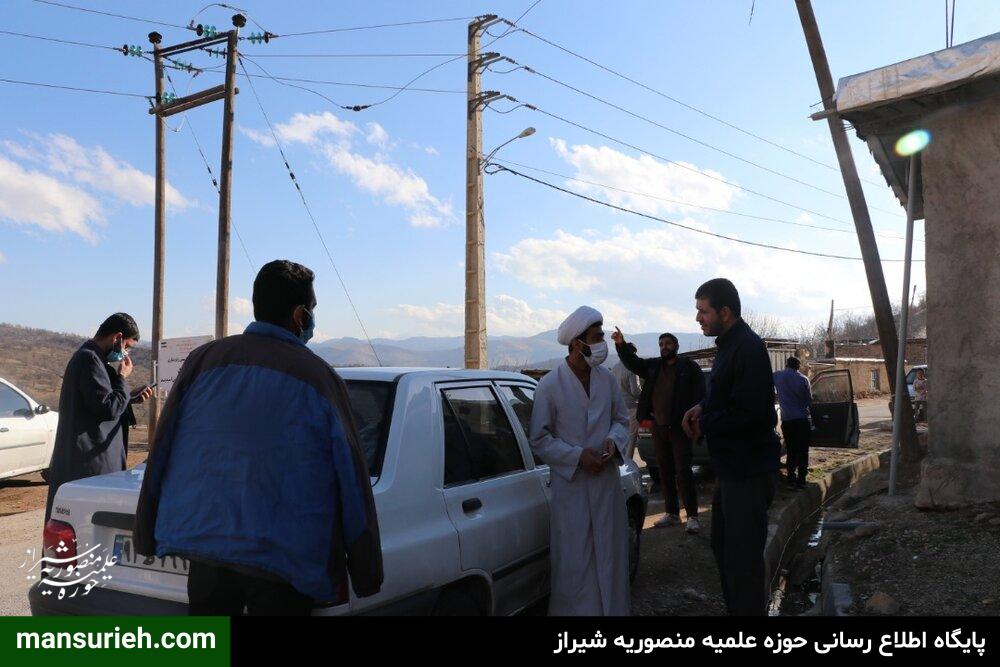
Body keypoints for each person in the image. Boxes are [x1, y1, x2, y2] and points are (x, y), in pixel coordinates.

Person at [134, 260, 383, 616]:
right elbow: (352, 479)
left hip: (206, 550)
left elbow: (163, 447)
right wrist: (366, 570)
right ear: (299, 315)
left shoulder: (203, 361)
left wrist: (144, 532)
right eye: (311, 309)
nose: (312, 318)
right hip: (283, 561)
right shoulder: (318, 377)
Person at [681, 278, 780, 616]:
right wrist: (701, 407)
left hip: (748, 472)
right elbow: (726, 395)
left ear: (724, 312)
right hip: (731, 469)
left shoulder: (748, 348)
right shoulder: (728, 345)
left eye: (703, 311)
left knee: (742, 564)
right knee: (724, 550)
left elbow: (753, 414)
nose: (698, 318)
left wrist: (706, 424)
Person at [529, 305, 631, 616]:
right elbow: (540, 439)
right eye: (597, 337)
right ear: (577, 343)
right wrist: (577, 457)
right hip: (572, 490)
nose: (602, 343)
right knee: (575, 565)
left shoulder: (606, 379)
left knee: (611, 559)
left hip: (606, 487)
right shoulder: (549, 385)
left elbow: (621, 420)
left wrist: (613, 442)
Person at [45, 313, 153, 522]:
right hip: (88, 463)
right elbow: (107, 408)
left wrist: (130, 397)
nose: (126, 353)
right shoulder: (89, 359)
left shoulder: (95, 359)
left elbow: (97, 402)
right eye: (127, 347)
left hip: (92, 460)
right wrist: (122, 378)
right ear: (117, 338)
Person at [613, 329, 706, 533]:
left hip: (680, 428)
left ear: (676, 346)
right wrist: (621, 344)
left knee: (683, 472)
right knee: (664, 472)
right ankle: (672, 513)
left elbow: (701, 393)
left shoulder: (689, 367)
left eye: (668, 344)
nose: (664, 347)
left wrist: (696, 417)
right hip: (658, 427)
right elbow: (633, 363)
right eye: (661, 344)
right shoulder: (654, 366)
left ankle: (692, 517)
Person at [773, 357, 812, 489]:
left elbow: (766, 383)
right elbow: (809, 400)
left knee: (791, 450)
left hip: (788, 420)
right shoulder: (803, 379)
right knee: (803, 451)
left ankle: (790, 480)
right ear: (798, 366)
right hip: (802, 420)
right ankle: (801, 480)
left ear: (786, 365)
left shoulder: (777, 376)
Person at [611, 352, 642, 460]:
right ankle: (627, 462)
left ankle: (619, 460)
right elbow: (635, 391)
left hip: (618, 406)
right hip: (632, 406)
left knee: (620, 435)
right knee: (632, 437)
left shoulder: (615, 367)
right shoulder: (632, 369)